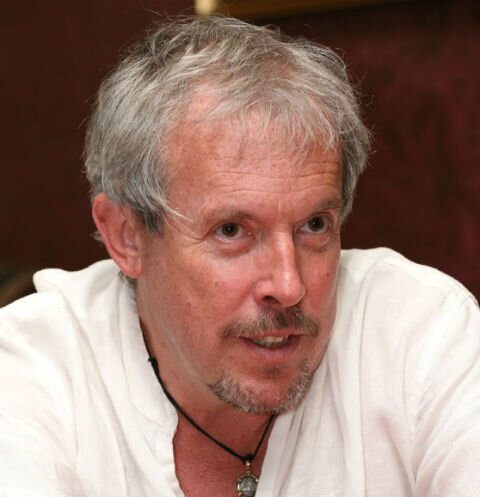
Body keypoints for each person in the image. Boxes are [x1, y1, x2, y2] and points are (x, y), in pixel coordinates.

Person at [1, 15, 479, 497]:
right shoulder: (31, 375)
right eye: (231, 231)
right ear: (128, 237)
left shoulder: (420, 333)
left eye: (314, 225)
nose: (289, 286)